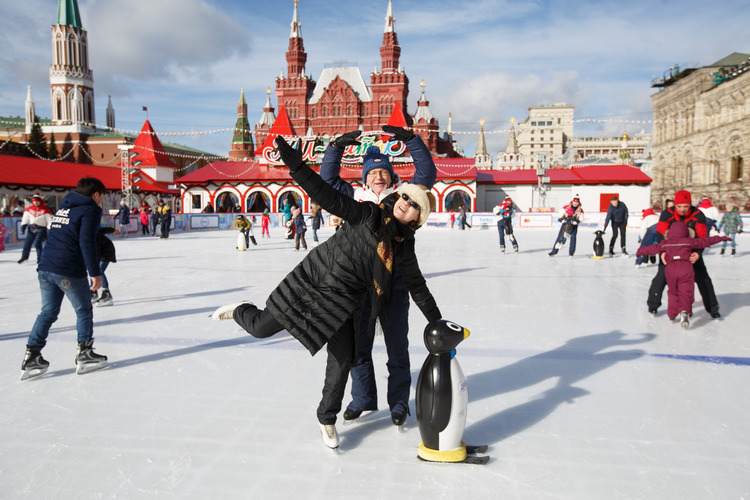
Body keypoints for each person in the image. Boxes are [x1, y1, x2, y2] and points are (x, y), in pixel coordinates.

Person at [211, 136, 442, 449]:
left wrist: (437, 321)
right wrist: (299, 162)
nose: (406, 203)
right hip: (314, 280)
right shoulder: (368, 212)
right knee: (261, 328)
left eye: (415, 204)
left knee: (344, 358)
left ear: (418, 218)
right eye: (405, 198)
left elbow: (418, 285)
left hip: (350, 299)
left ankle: (326, 417)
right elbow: (327, 193)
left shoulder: (403, 246)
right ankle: (241, 310)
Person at [320, 126, 437, 426]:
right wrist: (335, 147)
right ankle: (363, 398)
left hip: (396, 283)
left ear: (391, 175)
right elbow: (327, 181)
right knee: (360, 347)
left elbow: (427, 174)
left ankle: (398, 404)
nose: (378, 177)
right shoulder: (352, 197)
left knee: (397, 347)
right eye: (372, 173)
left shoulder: (402, 197)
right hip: (359, 284)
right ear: (364, 177)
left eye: (383, 172)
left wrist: (411, 140)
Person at [21, 177, 108, 380]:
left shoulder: (65, 207)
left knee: (48, 312)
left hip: (45, 267)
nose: (102, 201)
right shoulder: (90, 209)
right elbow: (85, 240)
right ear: (96, 194)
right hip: (67, 267)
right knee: (84, 309)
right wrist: (94, 273)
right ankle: (85, 352)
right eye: (102, 196)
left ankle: (32, 354)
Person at [637, 221, 729, 328]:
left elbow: (652, 248)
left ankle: (672, 314)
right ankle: (684, 311)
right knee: (686, 293)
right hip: (686, 271)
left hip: (671, 271)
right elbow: (706, 241)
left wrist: (640, 251)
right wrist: (721, 238)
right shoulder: (689, 242)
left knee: (673, 293)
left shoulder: (665, 243)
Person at [646, 190, 722, 319]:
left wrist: (698, 254)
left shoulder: (698, 215)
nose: (682, 209)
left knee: (703, 278)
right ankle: (653, 305)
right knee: (662, 276)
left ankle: (713, 308)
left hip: (691, 252)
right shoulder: (667, 214)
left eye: (686, 206)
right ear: (675, 205)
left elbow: (702, 237)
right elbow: (660, 234)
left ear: (690, 205)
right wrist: (663, 252)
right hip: (670, 252)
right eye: (679, 206)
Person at [18, 193, 53, 264]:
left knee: (37, 243)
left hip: (41, 229)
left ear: (40, 201)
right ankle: (24, 257)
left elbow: (49, 220)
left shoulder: (45, 210)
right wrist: (23, 226)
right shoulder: (29, 209)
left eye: (37, 201)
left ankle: (39, 258)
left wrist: (49, 228)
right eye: (34, 201)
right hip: (31, 228)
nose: (35, 203)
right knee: (27, 243)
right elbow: (26, 218)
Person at [91, 226, 118, 306]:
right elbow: (103, 229)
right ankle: (93, 292)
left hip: (107, 252)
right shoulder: (87, 231)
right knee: (92, 270)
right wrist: (113, 230)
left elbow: (97, 252)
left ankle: (106, 294)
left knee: (99, 271)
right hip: (101, 250)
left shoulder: (91, 236)